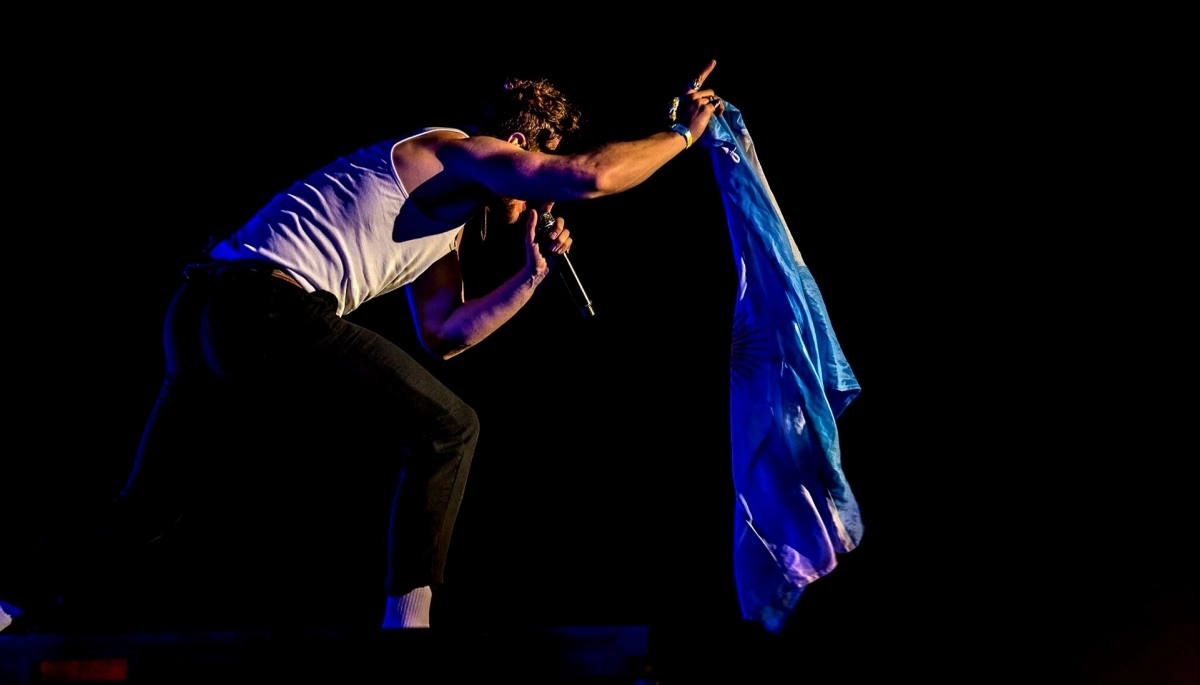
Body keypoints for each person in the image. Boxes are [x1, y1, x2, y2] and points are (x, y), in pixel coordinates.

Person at [114, 61, 728, 631]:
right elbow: (589, 176)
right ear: (518, 145)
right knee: (450, 429)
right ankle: (409, 627)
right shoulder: (456, 151)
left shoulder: (443, 218)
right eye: (533, 175)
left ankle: (44, 603)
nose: (537, 202)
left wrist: (530, 276)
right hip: (264, 304)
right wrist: (682, 134)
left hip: (205, 307)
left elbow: (444, 334)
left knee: (149, 506)